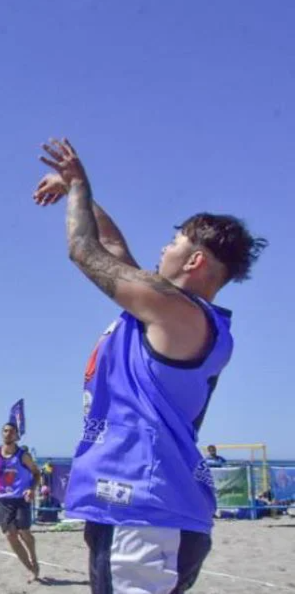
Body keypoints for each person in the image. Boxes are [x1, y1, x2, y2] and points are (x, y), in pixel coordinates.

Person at [34, 137, 268, 593]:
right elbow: (114, 250)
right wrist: (76, 192)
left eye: (174, 240)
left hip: (144, 509)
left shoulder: (179, 314)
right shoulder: (162, 313)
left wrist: (79, 183)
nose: (164, 247)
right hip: (141, 509)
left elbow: (85, 252)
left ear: (196, 259)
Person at [0, 422, 42, 583]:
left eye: (11, 432)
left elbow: (36, 474)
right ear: (2, 433)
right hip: (2, 500)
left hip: (21, 498)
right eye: (5, 431)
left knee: (24, 532)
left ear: (16, 436)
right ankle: (31, 568)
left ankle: (34, 559)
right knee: (10, 535)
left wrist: (32, 489)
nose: (8, 434)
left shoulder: (23, 456)